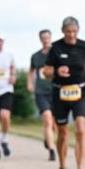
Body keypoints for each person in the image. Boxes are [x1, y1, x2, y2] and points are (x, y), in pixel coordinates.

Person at [41, 17, 85, 169]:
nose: (71, 35)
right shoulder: (55, 48)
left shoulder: (84, 46)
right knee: (63, 133)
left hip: (79, 92)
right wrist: (56, 70)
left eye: (74, 31)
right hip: (60, 93)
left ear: (78, 31)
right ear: (63, 31)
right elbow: (46, 71)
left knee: (80, 129)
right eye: (68, 31)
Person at [28, 29, 57, 161]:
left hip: (55, 90)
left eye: (48, 38)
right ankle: (51, 150)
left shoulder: (56, 53)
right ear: (40, 39)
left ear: (50, 38)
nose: (46, 40)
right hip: (41, 92)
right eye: (43, 38)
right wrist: (30, 83)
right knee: (46, 117)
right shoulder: (36, 56)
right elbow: (31, 71)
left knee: (54, 124)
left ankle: (48, 138)